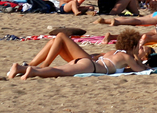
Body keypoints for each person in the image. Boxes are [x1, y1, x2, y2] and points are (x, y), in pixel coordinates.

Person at [8, 29, 146, 79]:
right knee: (59, 71)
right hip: (90, 67)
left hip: (88, 63)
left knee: (60, 70)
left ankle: (21, 68)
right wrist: (136, 57)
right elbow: (141, 71)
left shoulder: (112, 52)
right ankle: (32, 70)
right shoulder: (127, 57)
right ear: (133, 46)